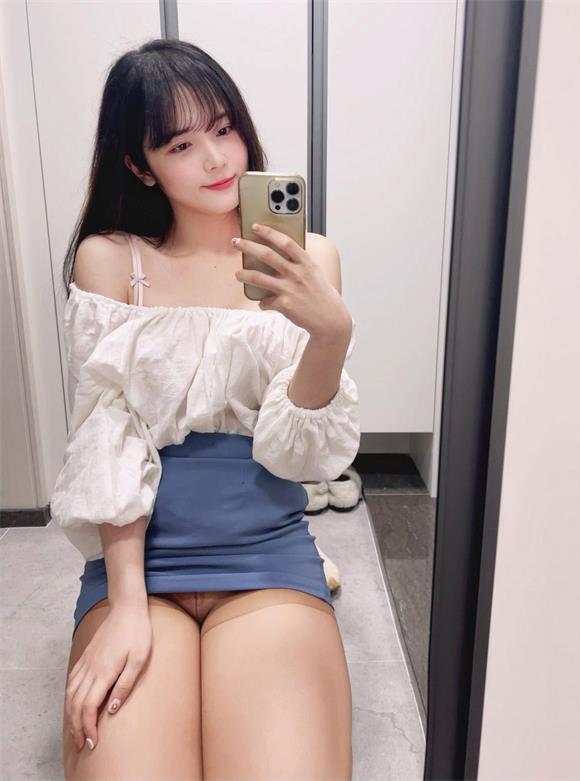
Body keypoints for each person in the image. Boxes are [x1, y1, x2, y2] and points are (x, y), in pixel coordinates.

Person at [49, 38, 359, 780]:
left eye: (225, 129)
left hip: (266, 548)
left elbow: (301, 455)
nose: (217, 159)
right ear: (140, 164)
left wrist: (330, 335)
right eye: (182, 144)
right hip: (139, 559)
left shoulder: (309, 257)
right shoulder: (111, 259)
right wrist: (127, 602)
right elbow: (108, 435)